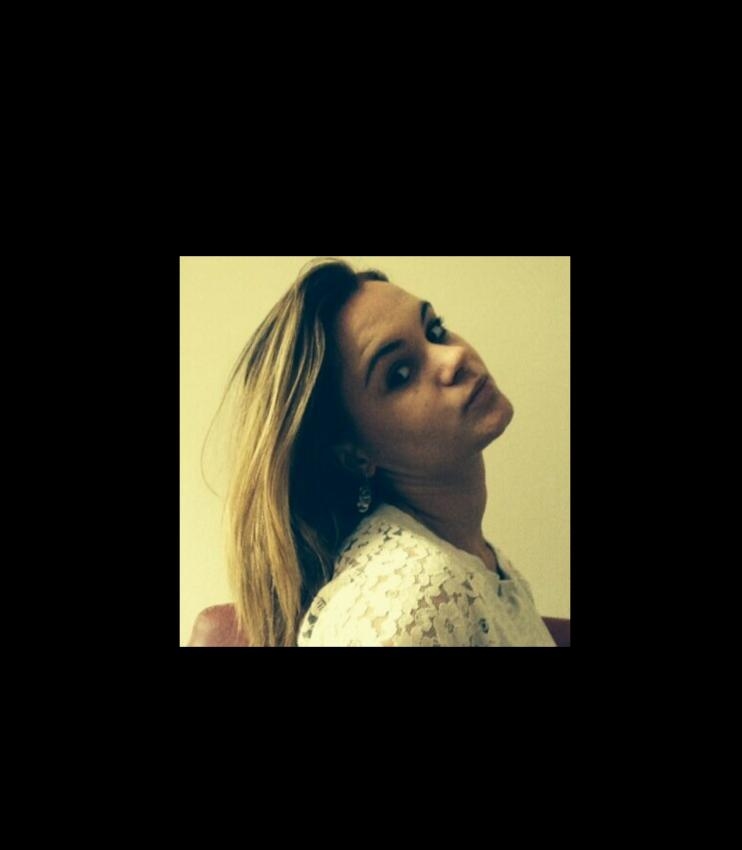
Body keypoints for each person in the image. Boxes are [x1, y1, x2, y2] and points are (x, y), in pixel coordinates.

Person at [189, 258, 567, 647]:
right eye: (399, 374)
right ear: (353, 454)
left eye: (435, 331)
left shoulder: (473, 559)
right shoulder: (414, 600)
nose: (453, 357)